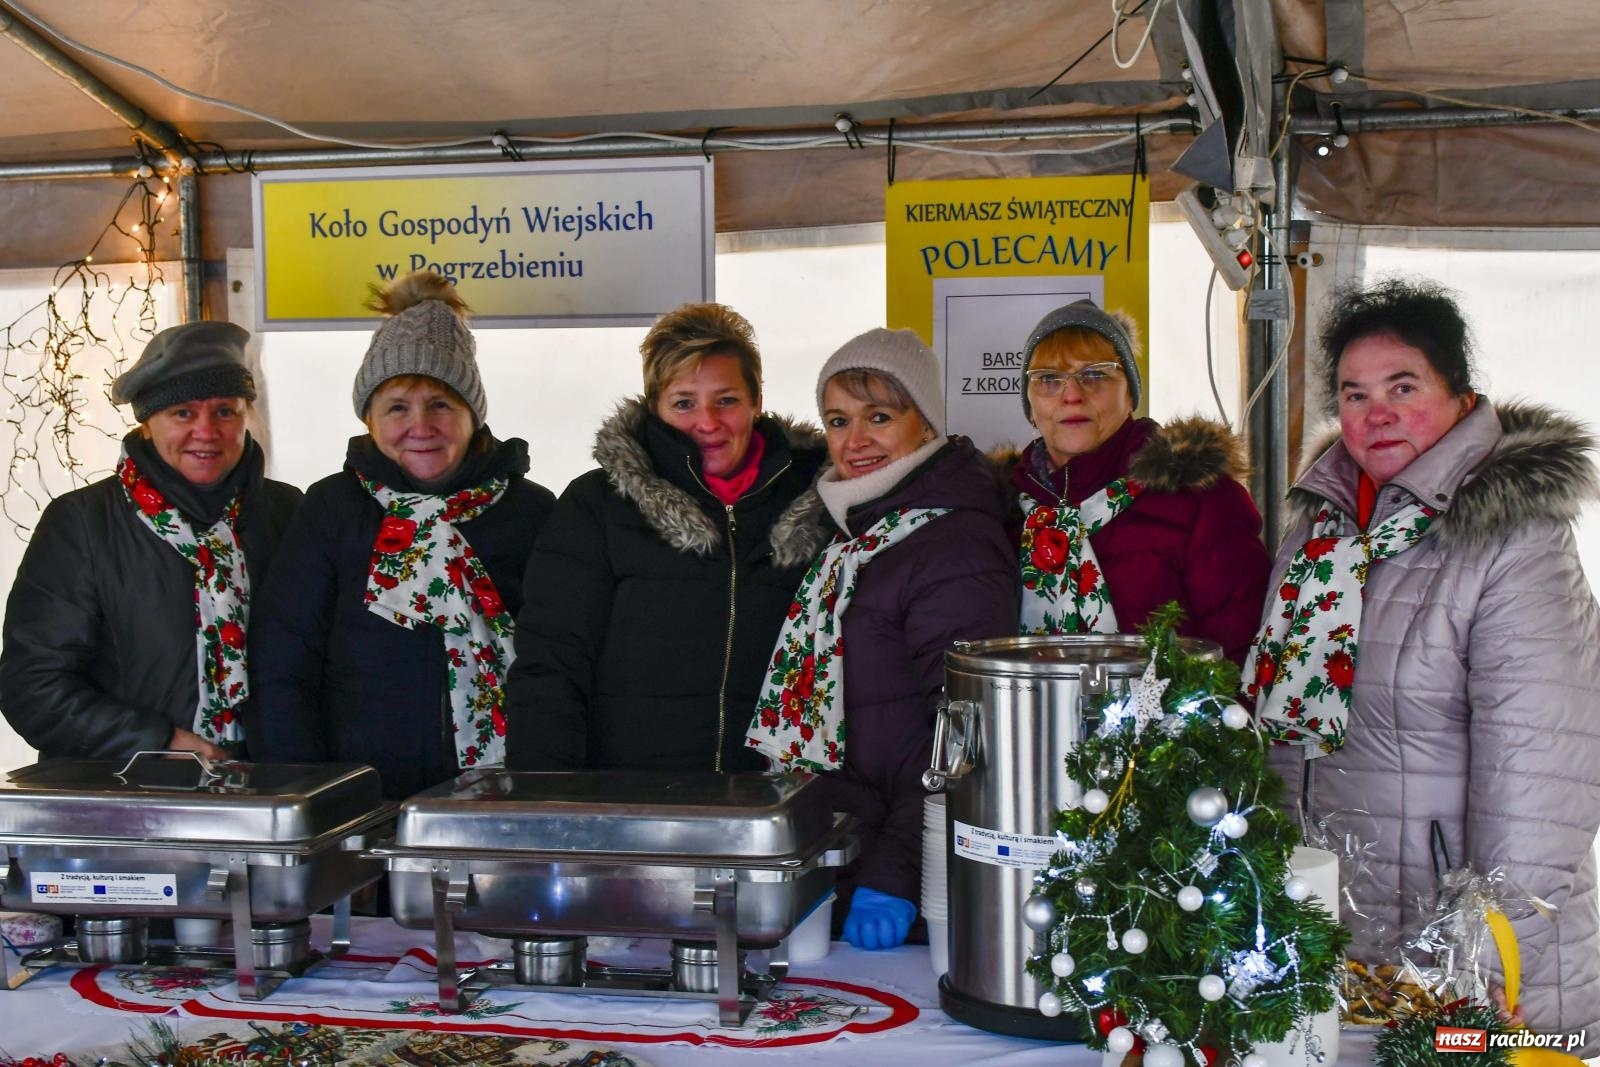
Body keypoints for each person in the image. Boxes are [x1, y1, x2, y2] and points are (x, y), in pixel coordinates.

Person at [1247, 278, 1600, 1044]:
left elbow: (1542, 789)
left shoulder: (1513, 538)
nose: (1376, 413)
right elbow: (1282, 732)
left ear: (1461, 396)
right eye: (1353, 392)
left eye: (1402, 386)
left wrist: (1478, 966)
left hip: (1462, 968)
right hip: (1336, 946)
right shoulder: (1320, 529)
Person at [746, 328, 1017, 950]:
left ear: (926, 425)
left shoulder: (953, 545)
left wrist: (896, 876)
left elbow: (963, 734)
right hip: (846, 860)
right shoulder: (860, 536)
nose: (856, 440)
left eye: (880, 416)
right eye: (838, 420)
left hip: (906, 881)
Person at [247, 271, 554, 799]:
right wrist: (307, 793)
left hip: (504, 791)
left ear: (473, 416)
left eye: (441, 404)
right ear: (369, 418)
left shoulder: (531, 512)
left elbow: (558, 665)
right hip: (359, 796)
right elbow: (283, 663)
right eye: (397, 407)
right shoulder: (332, 509)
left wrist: (550, 780)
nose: (420, 425)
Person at [504, 303, 828, 773]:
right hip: (632, 800)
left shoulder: (819, 499)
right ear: (655, 407)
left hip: (775, 798)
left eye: (727, 399)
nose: (708, 421)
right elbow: (551, 663)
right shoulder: (598, 504)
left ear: (757, 401)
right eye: (684, 402)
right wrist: (544, 795)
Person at [0, 321, 301, 759]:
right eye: (183, 413)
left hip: (264, 787)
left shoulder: (284, 512)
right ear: (147, 425)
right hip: (123, 796)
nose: (206, 431)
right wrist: (159, 744)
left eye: (225, 411)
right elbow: (32, 684)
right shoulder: (83, 522)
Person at [1000, 300, 1269, 663]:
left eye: (1095, 375)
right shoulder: (1003, 509)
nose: (1072, 394)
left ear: (1131, 394)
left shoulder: (1200, 498)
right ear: (1030, 405)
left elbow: (1246, 653)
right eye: (1048, 379)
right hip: (1028, 718)